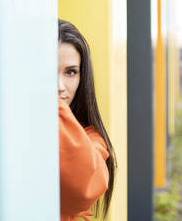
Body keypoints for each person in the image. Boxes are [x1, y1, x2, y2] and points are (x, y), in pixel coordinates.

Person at [58, 19, 117, 221]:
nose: (60, 86)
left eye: (71, 72)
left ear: (82, 77)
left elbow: (83, 188)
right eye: (46, 71)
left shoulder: (93, 139)